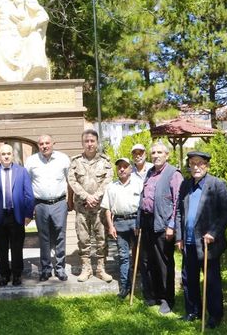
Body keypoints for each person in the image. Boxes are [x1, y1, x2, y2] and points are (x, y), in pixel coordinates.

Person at [175, 151, 227, 328]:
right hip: (189, 243)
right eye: (192, 163)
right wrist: (179, 237)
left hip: (208, 244)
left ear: (207, 166)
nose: (196, 167)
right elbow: (179, 212)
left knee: (211, 281)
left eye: (200, 163)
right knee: (189, 279)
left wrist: (214, 232)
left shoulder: (217, 184)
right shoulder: (185, 185)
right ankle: (193, 311)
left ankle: (215, 315)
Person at [135, 141, 183, 314]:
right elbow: (143, 198)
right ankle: (153, 294)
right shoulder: (150, 172)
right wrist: (139, 222)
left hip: (163, 224)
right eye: (153, 152)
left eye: (159, 152)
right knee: (148, 261)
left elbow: (178, 202)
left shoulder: (173, 174)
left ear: (167, 155)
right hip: (147, 222)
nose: (155, 155)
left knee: (164, 263)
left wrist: (172, 226)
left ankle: (167, 299)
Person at [0, 144, 34, 287]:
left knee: (17, 248)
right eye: (3, 154)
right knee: (2, 248)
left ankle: (17, 275)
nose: (6, 156)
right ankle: (4, 275)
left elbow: (29, 194)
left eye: (8, 153)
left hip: (16, 215)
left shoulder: (22, 172)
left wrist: (29, 214)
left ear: (12, 155)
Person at [67, 129, 113, 283]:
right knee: (83, 239)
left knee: (101, 239)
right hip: (82, 208)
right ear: (82, 143)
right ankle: (86, 269)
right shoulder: (75, 161)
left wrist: (95, 197)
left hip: (100, 208)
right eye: (86, 141)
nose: (89, 144)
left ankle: (100, 269)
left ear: (97, 142)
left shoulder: (105, 161)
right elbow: (72, 181)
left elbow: (108, 181)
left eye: (92, 141)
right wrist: (87, 197)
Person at [25, 135, 71, 282]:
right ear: (38, 146)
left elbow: (70, 181)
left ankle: (60, 268)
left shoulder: (63, 159)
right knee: (44, 237)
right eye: (41, 144)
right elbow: (27, 184)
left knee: (60, 236)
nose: (44, 146)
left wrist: (70, 202)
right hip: (40, 204)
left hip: (59, 202)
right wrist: (29, 206)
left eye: (47, 143)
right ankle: (46, 269)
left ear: (53, 144)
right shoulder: (31, 161)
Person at [101, 158, 142, 298]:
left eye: (125, 166)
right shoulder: (111, 186)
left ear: (131, 169)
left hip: (136, 221)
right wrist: (111, 226)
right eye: (119, 167)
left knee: (140, 255)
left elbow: (143, 206)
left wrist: (139, 223)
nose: (122, 169)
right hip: (119, 222)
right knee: (123, 256)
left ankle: (144, 286)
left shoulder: (138, 184)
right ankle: (125, 287)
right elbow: (107, 209)